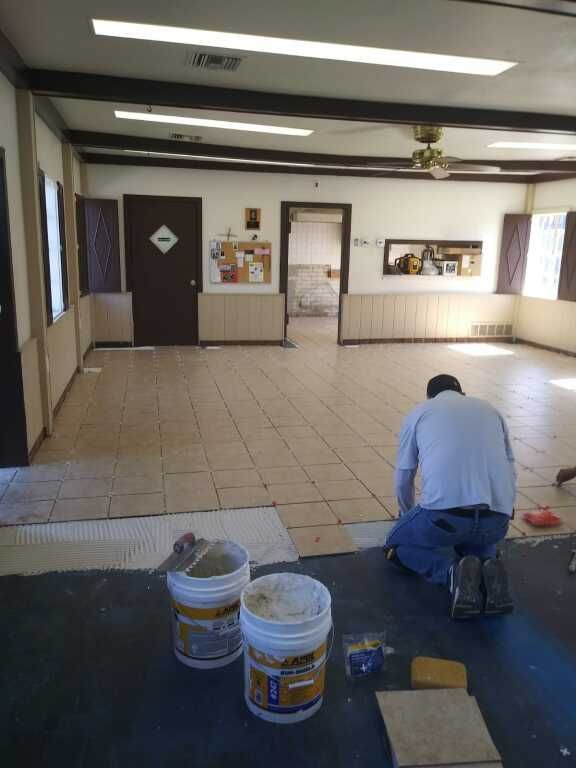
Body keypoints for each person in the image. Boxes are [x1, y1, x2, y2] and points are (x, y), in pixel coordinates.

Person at [383, 374, 516, 619]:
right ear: (462, 393)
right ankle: (487, 567)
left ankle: (450, 573)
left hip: (445, 519)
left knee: (395, 545)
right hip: (497, 521)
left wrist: (406, 515)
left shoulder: (421, 412)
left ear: (430, 396)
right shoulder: (492, 411)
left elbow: (404, 477)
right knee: (474, 544)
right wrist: (507, 508)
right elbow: (510, 467)